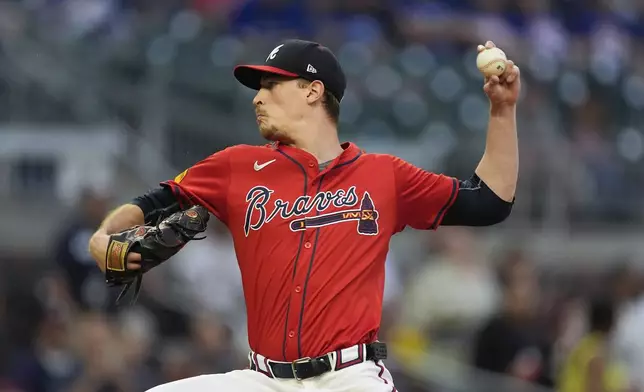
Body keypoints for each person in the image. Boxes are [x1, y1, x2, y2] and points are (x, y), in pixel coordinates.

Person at [88, 38, 520, 391]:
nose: (257, 97)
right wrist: (103, 236)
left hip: (350, 377)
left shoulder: (384, 176)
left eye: (271, 85)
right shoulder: (236, 166)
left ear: (313, 91)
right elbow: (150, 204)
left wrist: (502, 111)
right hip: (262, 380)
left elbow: (489, 202)